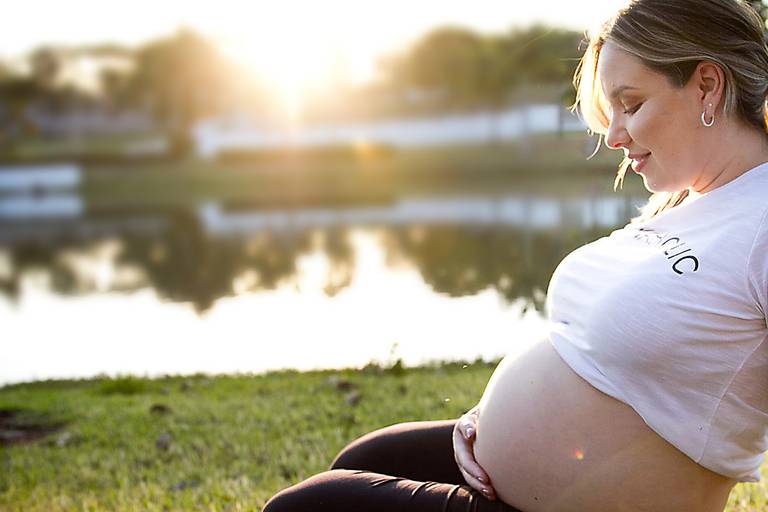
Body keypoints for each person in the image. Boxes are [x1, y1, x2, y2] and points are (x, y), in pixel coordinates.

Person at [262, 0, 768, 510]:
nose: (615, 136)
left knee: (303, 508)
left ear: (707, 84)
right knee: (365, 457)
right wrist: (489, 419)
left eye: (631, 105)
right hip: (514, 475)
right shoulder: (693, 200)